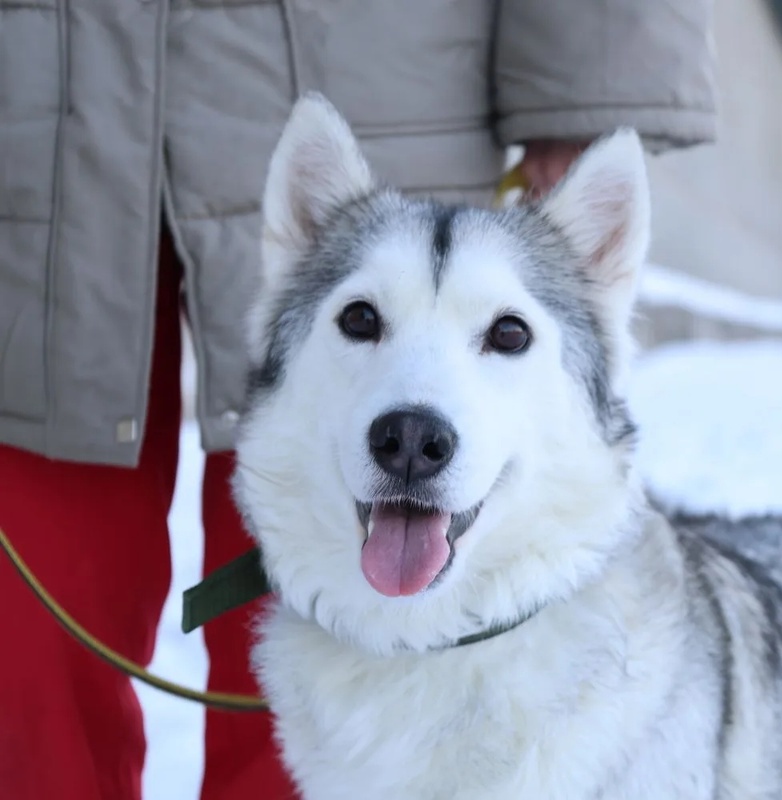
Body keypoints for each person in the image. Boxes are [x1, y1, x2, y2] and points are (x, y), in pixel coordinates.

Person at [0, 3, 716, 799]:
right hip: (44, 109)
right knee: (36, 640)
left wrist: (595, 76)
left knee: (342, 659)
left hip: (373, 65)